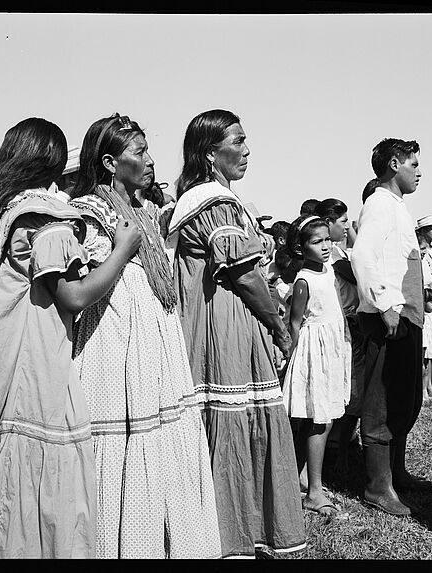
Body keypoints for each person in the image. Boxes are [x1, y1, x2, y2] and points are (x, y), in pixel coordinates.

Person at [0, 117, 125, 558]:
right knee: (36, 490)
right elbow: (73, 297)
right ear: (53, 163)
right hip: (31, 367)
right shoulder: (44, 218)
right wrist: (121, 252)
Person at [69, 113, 221, 560]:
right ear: (112, 162)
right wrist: (123, 248)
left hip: (155, 339)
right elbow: (89, 282)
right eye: (140, 152)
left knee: (161, 435)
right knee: (124, 438)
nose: (151, 160)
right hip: (115, 340)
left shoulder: (147, 211)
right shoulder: (91, 212)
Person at [166, 109, 306, 558]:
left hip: (216, 321)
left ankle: (227, 530)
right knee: (230, 419)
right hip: (223, 325)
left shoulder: (201, 199)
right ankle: (231, 535)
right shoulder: (216, 203)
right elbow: (244, 274)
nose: (246, 151)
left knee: (226, 424)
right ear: (211, 153)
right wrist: (279, 327)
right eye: (237, 142)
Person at [351, 138, 432, 518]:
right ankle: (377, 486)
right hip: (391, 318)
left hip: (408, 317)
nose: (418, 171)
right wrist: (384, 305)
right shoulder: (379, 204)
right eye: (412, 164)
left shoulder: (397, 206)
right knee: (381, 405)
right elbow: (363, 256)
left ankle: (395, 472)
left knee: (405, 400)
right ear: (394, 163)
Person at [282, 215, 351, 516]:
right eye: (316, 241)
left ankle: (302, 479)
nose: (325, 246)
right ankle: (314, 491)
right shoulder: (303, 281)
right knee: (318, 419)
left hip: (333, 347)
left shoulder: (330, 271)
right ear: (301, 246)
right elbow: (295, 323)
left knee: (327, 416)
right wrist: (288, 358)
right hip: (314, 351)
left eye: (327, 239)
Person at [314, 198, 365, 476]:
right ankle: (338, 452)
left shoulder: (339, 254)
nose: (347, 226)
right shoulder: (332, 257)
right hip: (343, 329)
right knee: (346, 393)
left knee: (352, 394)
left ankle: (342, 450)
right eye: (343, 221)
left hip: (351, 330)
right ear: (329, 223)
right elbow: (360, 274)